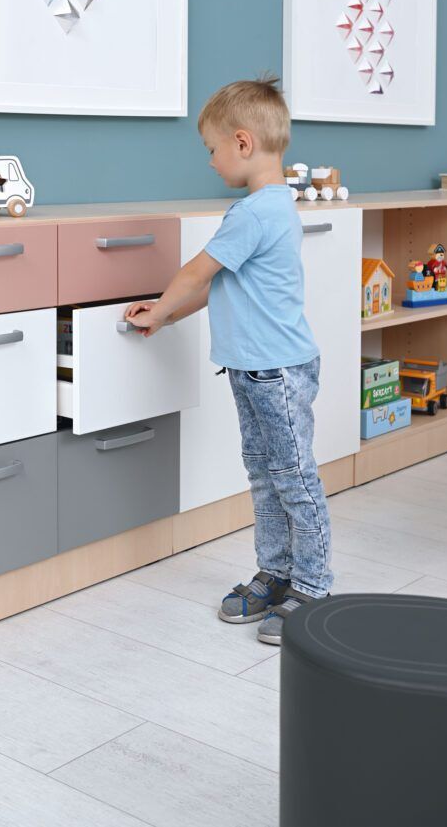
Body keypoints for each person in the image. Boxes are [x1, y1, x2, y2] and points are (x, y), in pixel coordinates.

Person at [124, 76, 331, 646]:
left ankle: (313, 586)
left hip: (276, 372)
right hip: (253, 370)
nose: (210, 161)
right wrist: (167, 316)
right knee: (265, 476)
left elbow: (196, 272)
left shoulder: (253, 213)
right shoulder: (271, 207)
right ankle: (277, 571)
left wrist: (162, 305)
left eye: (211, 149)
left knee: (293, 479)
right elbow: (219, 287)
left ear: (242, 142)